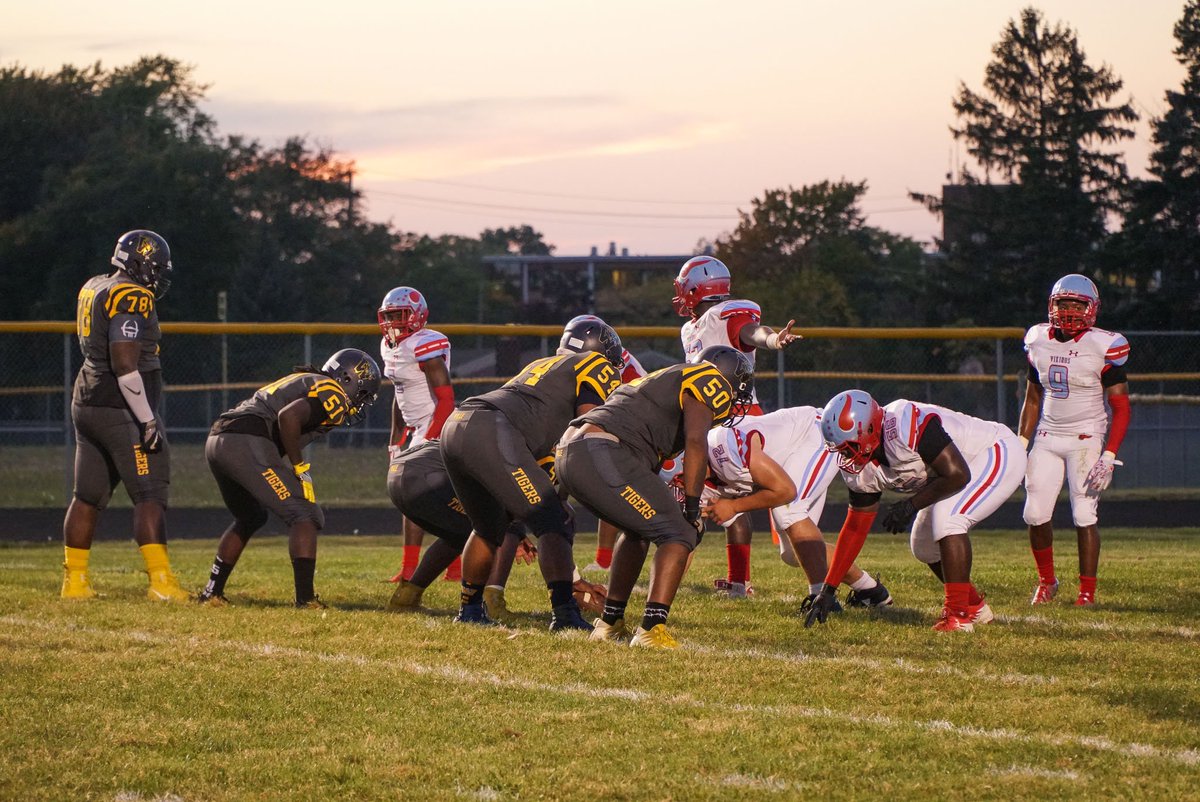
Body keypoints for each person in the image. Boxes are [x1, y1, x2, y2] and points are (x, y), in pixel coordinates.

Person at [557, 345, 753, 649]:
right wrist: (691, 507)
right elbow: (696, 442)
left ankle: (610, 623)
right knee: (679, 532)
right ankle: (652, 627)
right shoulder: (705, 378)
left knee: (638, 531)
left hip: (574, 451)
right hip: (602, 450)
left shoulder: (661, 381)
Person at [439, 316, 624, 630]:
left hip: (458, 424)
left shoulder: (545, 368)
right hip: (492, 429)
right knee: (555, 517)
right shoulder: (595, 365)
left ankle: (469, 611)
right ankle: (565, 614)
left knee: (489, 526)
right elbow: (586, 429)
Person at [806, 390, 1025, 633]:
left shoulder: (902, 426)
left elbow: (958, 475)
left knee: (949, 520)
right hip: (958, 472)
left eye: (848, 448)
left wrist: (911, 506)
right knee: (923, 547)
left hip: (995, 450)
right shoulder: (862, 466)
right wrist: (828, 589)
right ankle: (973, 605)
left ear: (868, 429)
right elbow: (856, 528)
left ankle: (958, 616)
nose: (845, 456)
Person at [197, 349, 381, 608]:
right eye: (361, 394)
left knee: (252, 516)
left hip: (219, 440)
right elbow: (288, 417)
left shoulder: (310, 380)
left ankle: (212, 592)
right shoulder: (333, 392)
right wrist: (299, 466)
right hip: (245, 441)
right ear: (347, 379)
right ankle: (305, 601)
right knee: (305, 514)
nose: (359, 403)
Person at [61, 229, 188, 602]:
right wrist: (147, 420)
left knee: (87, 496)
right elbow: (125, 365)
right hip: (120, 406)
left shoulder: (96, 285)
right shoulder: (131, 295)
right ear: (141, 262)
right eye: (156, 267)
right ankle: (161, 582)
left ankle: (75, 582)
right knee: (149, 492)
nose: (158, 276)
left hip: (87, 399)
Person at [673, 255, 800, 597]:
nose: (680, 293)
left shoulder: (725, 314)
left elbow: (751, 332)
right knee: (715, 501)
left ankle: (851, 583)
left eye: (684, 286)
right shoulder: (691, 328)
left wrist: (774, 340)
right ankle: (738, 583)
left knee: (789, 540)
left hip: (739, 421)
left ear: (698, 288)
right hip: (710, 419)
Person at [700, 406, 892, 609]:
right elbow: (684, 538)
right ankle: (870, 590)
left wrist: (733, 505)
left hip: (812, 435)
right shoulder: (693, 480)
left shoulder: (723, 447)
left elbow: (785, 491)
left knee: (789, 511)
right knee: (793, 553)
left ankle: (821, 598)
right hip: (788, 463)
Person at [1019, 274, 1131, 607]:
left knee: (1084, 514)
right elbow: (1032, 398)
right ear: (1051, 305)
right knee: (1034, 513)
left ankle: (1087, 592)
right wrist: (1020, 443)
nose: (1069, 311)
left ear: (1091, 308)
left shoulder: (1104, 345)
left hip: (1086, 436)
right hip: (1047, 435)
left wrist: (1109, 454)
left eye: (1076, 304)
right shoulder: (1038, 339)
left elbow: (1122, 408)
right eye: (1063, 303)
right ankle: (1047, 582)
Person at [377, 287, 460, 584]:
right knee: (408, 498)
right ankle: (409, 568)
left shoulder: (426, 345)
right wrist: (395, 439)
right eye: (388, 317)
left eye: (399, 316)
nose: (392, 324)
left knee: (442, 497)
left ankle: (457, 566)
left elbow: (447, 401)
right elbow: (398, 395)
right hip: (415, 428)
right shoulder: (389, 346)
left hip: (436, 423)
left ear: (416, 315)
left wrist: (429, 439)